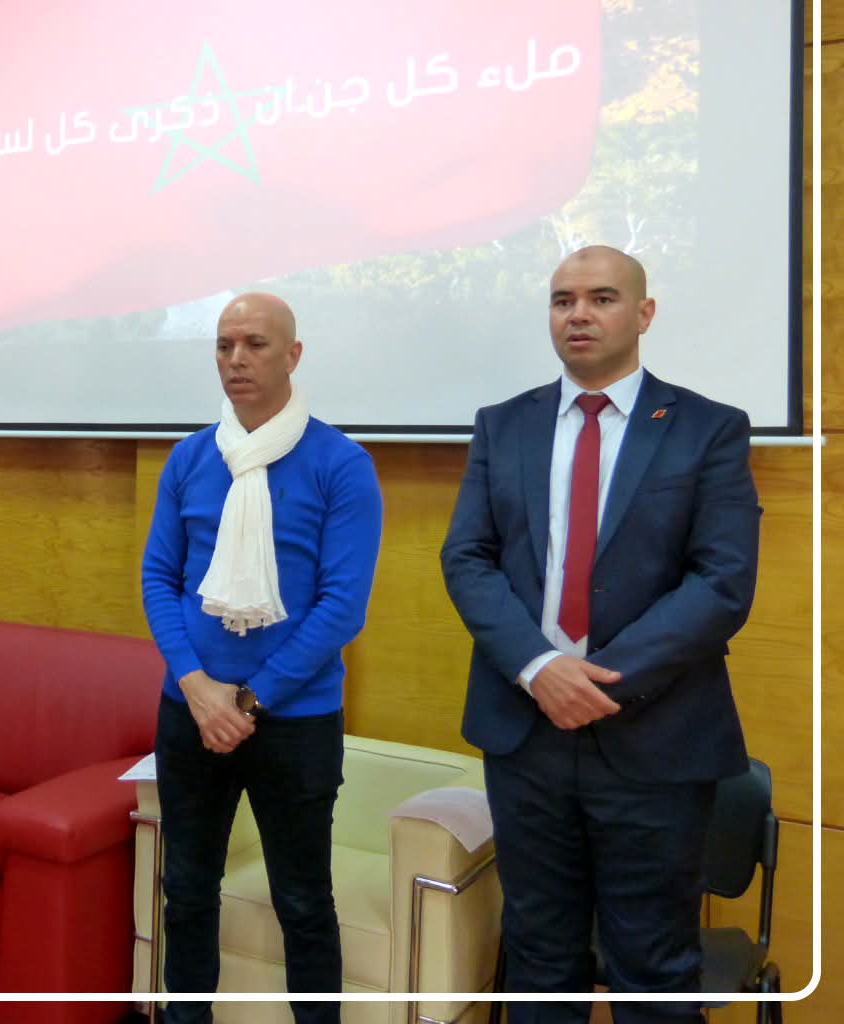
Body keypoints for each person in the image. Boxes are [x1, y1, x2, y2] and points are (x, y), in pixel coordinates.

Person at [440, 245, 761, 1022]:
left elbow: (722, 581)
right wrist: (539, 666)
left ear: (643, 313)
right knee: (537, 954)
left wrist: (598, 680)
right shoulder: (502, 425)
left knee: (653, 964)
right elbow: (467, 557)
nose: (578, 314)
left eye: (602, 298)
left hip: (656, 736)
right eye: (563, 300)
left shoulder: (708, 429)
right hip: (526, 733)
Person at [142, 292, 383, 1024]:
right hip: (190, 711)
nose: (236, 359)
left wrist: (248, 701)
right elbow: (158, 579)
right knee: (186, 891)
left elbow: (342, 607)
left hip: (296, 721)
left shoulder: (341, 465)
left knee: (303, 901)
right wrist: (197, 686)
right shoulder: (190, 458)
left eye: (254, 344)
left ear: (293, 355)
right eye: (224, 345)